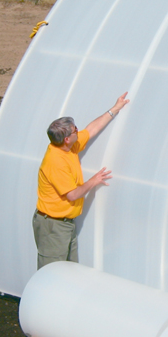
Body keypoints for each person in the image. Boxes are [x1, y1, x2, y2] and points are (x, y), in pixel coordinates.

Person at [33, 92, 130, 269]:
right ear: (67, 138)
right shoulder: (56, 162)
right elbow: (72, 195)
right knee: (52, 271)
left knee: (69, 270)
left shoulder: (68, 146)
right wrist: (94, 180)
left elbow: (91, 129)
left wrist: (115, 109)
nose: (78, 130)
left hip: (64, 224)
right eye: (74, 130)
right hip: (53, 226)